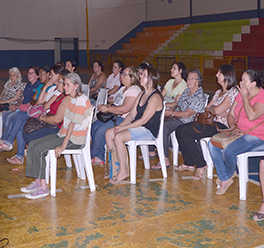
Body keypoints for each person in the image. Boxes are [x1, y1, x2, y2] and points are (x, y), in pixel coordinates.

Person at [20, 72, 93, 199]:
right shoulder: (72, 98)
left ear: (76, 86)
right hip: (63, 134)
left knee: (40, 149)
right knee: (33, 144)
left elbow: (71, 125)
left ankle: (43, 188)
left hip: (74, 139)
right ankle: (38, 181)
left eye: (67, 85)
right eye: (64, 84)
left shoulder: (81, 100)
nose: (64, 87)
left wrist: (63, 146)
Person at [176, 64, 239, 179]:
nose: (216, 75)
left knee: (186, 132)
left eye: (219, 73)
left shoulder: (233, 92)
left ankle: (201, 164)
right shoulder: (218, 92)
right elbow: (207, 108)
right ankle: (189, 162)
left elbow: (218, 110)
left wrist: (213, 108)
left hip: (222, 125)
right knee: (179, 129)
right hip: (210, 122)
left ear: (226, 75)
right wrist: (214, 108)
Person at [208, 69, 264, 195]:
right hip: (240, 133)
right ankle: (226, 176)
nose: (241, 83)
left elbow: (252, 115)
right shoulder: (240, 95)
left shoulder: (262, 97)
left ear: (253, 83)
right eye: (241, 80)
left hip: (257, 137)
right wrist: (233, 127)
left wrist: (245, 96)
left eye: (244, 80)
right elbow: (231, 114)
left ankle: (225, 178)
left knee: (229, 150)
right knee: (212, 144)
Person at [105, 65, 163, 184]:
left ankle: (123, 171)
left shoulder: (155, 97)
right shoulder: (141, 94)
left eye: (144, 75)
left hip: (148, 131)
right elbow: (131, 115)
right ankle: (115, 168)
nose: (140, 77)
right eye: (141, 75)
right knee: (109, 133)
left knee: (119, 136)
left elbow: (143, 121)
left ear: (151, 80)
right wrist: (120, 126)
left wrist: (123, 128)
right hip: (139, 127)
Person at [0, 68, 67, 164]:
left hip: (46, 117)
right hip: (42, 113)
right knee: (18, 121)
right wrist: (45, 88)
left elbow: (45, 105)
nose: (50, 77)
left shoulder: (60, 93)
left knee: (19, 117)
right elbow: (40, 102)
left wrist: (42, 107)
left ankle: (11, 144)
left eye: (52, 74)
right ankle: (16, 152)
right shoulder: (52, 89)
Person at [151, 69, 207, 170]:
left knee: (164, 127)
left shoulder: (199, 96)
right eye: (188, 78)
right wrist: (167, 111)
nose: (188, 81)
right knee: (157, 120)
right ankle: (152, 150)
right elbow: (178, 105)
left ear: (197, 82)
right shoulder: (187, 91)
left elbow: (187, 114)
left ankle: (164, 158)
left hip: (189, 121)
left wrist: (170, 113)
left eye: (191, 79)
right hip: (178, 116)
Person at [91, 66, 142, 166]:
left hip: (124, 119)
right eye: (122, 74)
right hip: (114, 115)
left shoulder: (134, 90)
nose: (121, 76)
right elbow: (114, 101)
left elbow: (125, 108)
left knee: (101, 130)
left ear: (132, 77)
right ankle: (99, 153)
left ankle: (98, 157)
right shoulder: (123, 88)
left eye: (124, 74)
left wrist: (107, 109)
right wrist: (104, 104)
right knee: (94, 125)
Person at [142, 61, 187, 159]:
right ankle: (151, 150)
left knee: (158, 123)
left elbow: (175, 104)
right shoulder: (170, 82)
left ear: (180, 71)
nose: (171, 70)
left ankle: (164, 155)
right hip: (164, 108)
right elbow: (161, 96)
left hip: (172, 112)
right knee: (149, 118)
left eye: (174, 68)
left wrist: (162, 105)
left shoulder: (184, 85)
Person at [23, 71, 70, 145]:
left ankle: (34, 153)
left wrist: (42, 118)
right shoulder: (60, 95)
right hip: (49, 122)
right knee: (26, 130)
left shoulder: (67, 98)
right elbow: (43, 105)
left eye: (59, 81)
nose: (56, 83)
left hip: (56, 128)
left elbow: (57, 120)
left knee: (30, 136)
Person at [1, 66, 41, 140]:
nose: (29, 75)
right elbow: (22, 98)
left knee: (9, 116)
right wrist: (16, 105)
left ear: (37, 75)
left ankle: (6, 140)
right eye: (28, 73)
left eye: (31, 73)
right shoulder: (28, 85)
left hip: (28, 109)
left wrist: (17, 107)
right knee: (5, 115)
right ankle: (4, 138)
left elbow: (34, 102)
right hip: (21, 107)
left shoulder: (39, 86)